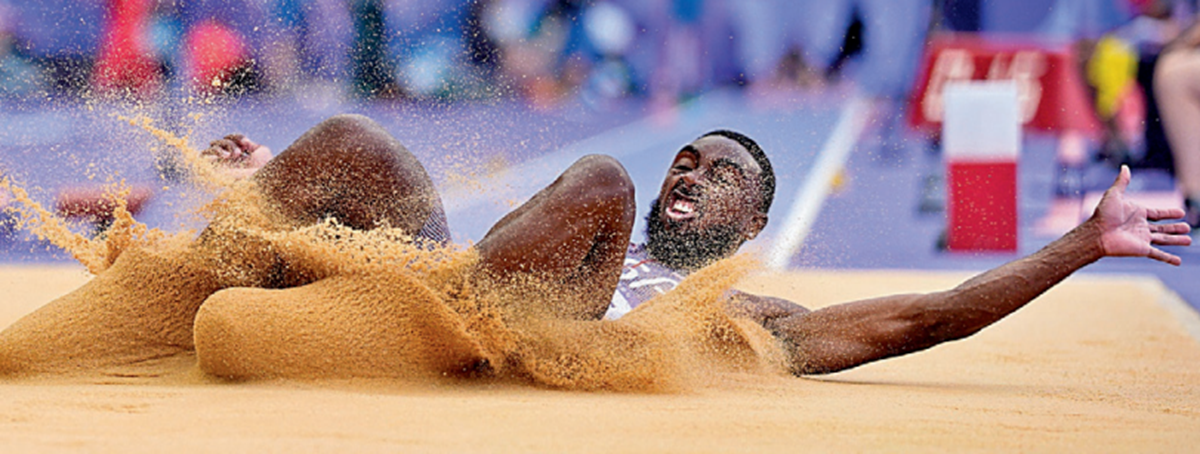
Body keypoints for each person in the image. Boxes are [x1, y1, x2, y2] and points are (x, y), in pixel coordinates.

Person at [0, 114, 1189, 379]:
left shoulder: (750, 324)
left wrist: (1081, 243)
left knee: (599, 182)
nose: (693, 174)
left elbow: (927, 315)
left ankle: (350, 269)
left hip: (513, 333)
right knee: (354, 145)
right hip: (447, 282)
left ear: (753, 227)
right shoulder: (589, 223)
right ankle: (175, 267)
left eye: (723, 175)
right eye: (693, 158)